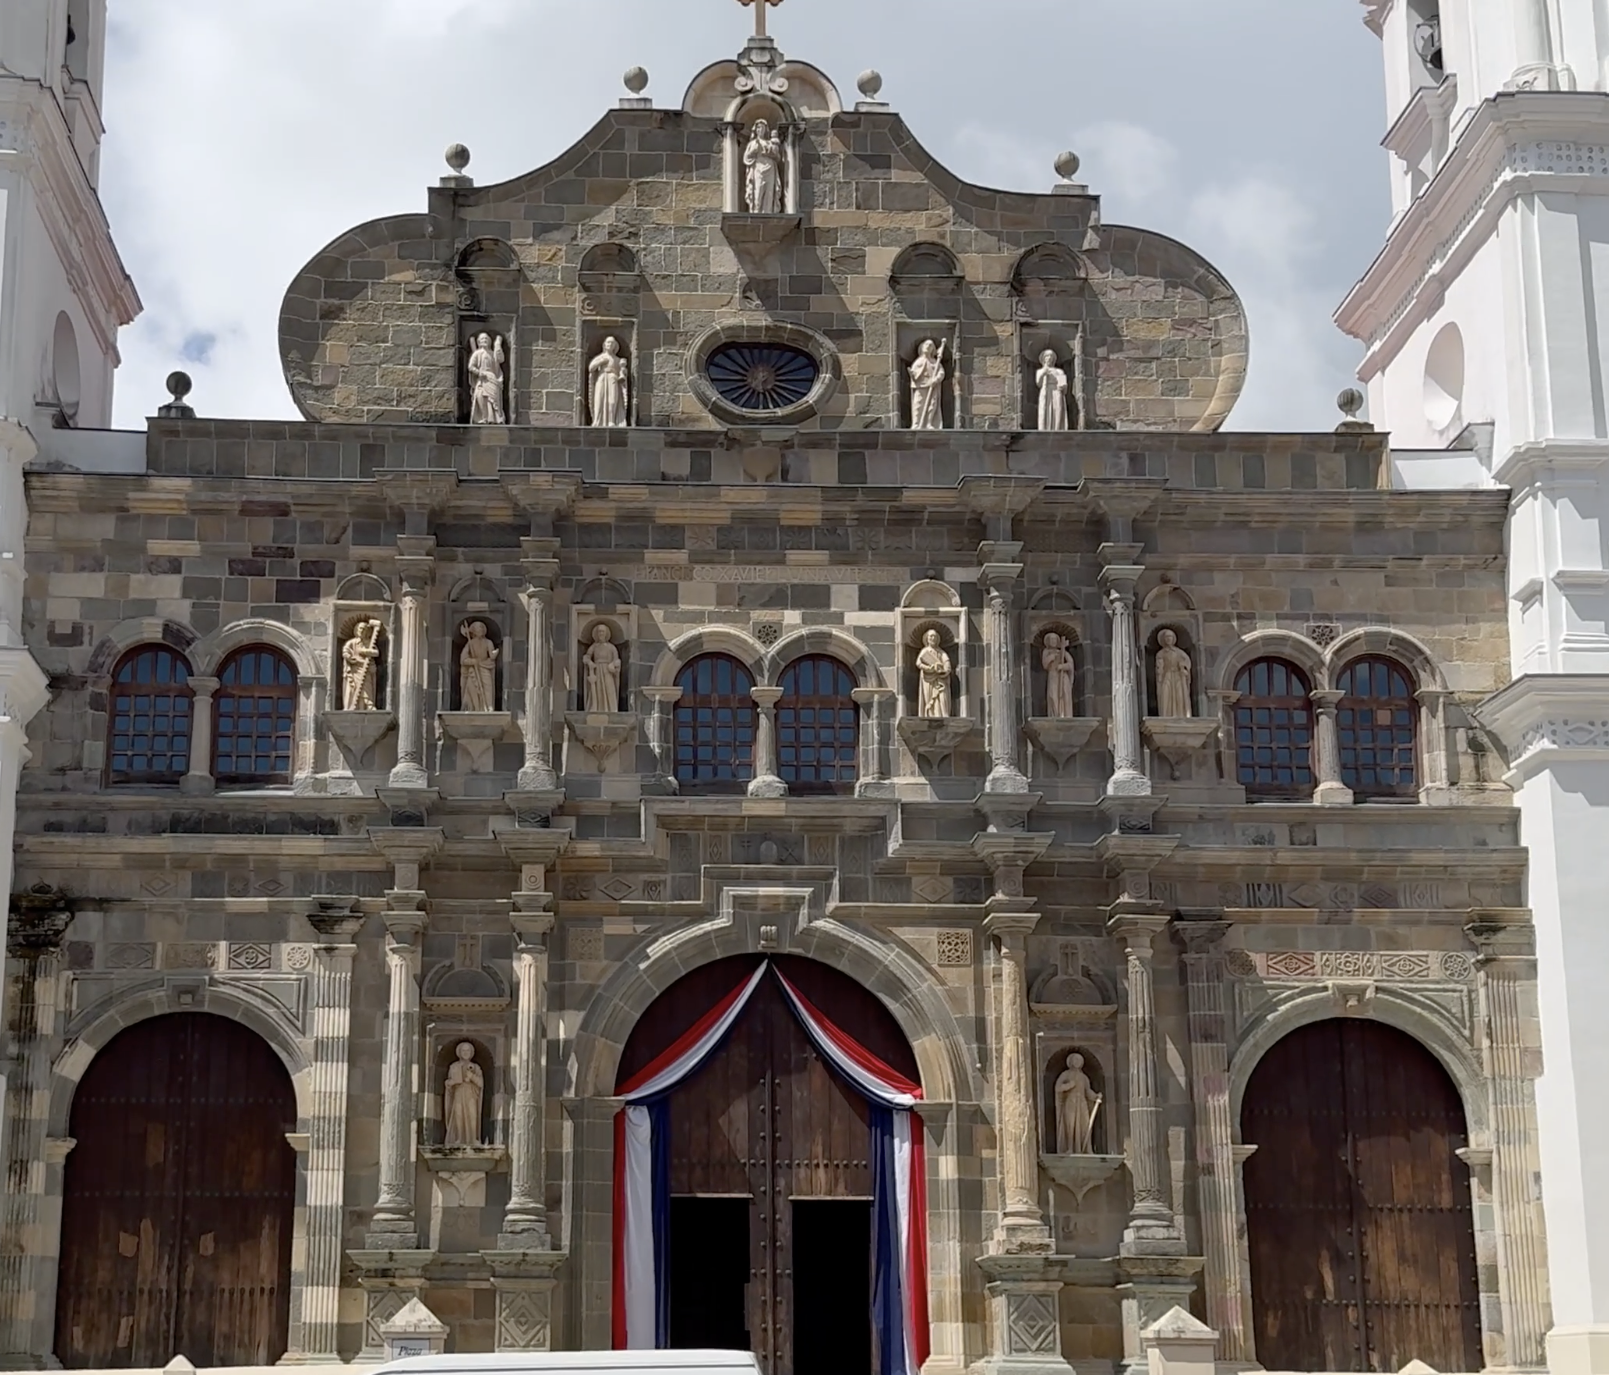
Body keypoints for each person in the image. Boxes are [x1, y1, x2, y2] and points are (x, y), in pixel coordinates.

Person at [1054, 1051, 1102, 1155]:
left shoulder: (1084, 1077)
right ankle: (1070, 1148)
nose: (1077, 1062)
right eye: (1075, 1060)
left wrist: (1095, 1096)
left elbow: (1087, 1091)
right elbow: (1058, 1088)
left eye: (1079, 1060)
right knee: (1070, 1125)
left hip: (1082, 1103)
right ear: (1070, 1061)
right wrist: (1069, 1085)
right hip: (1070, 1102)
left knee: (1084, 1125)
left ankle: (1086, 1148)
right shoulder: (1065, 1074)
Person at [443, 1042, 484, 1147]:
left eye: (468, 1051)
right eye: (463, 1050)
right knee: (459, 1115)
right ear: (459, 1052)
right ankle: (459, 1138)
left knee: (472, 1114)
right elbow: (448, 1083)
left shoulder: (475, 1067)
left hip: (471, 1094)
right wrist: (452, 1082)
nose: (466, 1053)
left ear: (471, 1053)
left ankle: (473, 1138)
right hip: (458, 1093)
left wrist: (472, 1077)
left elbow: (481, 1083)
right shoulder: (454, 1067)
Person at [743, 119, 784, 214]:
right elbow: (746, 158)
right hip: (758, 169)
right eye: (758, 127)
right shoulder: (753, 143)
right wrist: (753, 151)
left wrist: (771, 152)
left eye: (762, 127)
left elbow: (778, 157)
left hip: (770, 168)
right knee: (758, 192)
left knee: (769, 193)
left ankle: (768, 212)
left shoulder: (770, 143)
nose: (760, 129)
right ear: (755, 129)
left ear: (766, 129)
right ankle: (756, 212)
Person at [341, 619, 381, 711]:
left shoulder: (370, 643)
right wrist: (349, 657)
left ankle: (368, 705)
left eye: (364, 629)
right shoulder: (352, 642)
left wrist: (366, 651)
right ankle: (352, 705)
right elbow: (345, 651)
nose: (361, 631)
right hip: (355, 668)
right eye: (360, 629)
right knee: (354, 686)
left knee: (367, 686)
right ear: (356, 630)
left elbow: (376, 652)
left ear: (367, 632)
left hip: (367, 668)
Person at [588, 337, 629, 427]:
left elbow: (622, 374)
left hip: (613, 379)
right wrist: (601, 362)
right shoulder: (601, 357)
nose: (610, 345)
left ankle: (611, 421)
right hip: (602, 379)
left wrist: (623, 369)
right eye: (608, 343)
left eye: (612, 343)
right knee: (599, 400)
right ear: (604, 345)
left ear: (615, 346)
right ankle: (597, 421)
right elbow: (591, 368)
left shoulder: (618, 360)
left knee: (612, 400)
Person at [467, 332, 506, 425]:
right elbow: (471, 366)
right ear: (479, 342)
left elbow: (501, 359)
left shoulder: (493, 353)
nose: (484, 340)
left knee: (493, 399)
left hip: (492, 378)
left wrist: (498, 345)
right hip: (482, 379)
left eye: (486, 339)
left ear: (489, 341)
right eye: (482, 339)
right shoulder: (477, 353)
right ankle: (483, 418)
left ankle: (495, 418)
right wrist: (478, 372)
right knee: (481, 397)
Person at [459, 620, 498, 712]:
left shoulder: (488, 642)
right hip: (474, 669)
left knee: (488, 686)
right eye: (477, 628)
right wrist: (473, 661)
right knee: (473, 688)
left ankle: (488, 706)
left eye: (481, 627)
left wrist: (494, 654)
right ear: (474, 631)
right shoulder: (470, 643)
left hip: (485, 667)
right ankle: (474, 707)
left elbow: (491, 656)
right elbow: (463, 660)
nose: (480, 629)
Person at [583, 623, 622, 712]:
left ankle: (610, 709)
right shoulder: (594, 646)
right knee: (597, 691)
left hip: (607, 671)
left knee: (609, 689)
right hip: (597, 670)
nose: (601, 633)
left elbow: (617, 660)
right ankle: (595, 707)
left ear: (606, 633)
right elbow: (586, 657)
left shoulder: (611, 647)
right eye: (599, 631)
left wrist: (612, 664)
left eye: (602, 631)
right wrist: (590, 662)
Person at [909, 338, 946, 430]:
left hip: (932, 385)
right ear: (922, 347)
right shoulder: (918, 362)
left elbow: (941, 372)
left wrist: (936, 379)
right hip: (920, 386)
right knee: (918, 404)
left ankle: (929, 423)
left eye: (930, 346)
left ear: (933, 350)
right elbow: (915, 374)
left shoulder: (934, 362)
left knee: (932, 405)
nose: (928, 347)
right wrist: (912, 375)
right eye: (926, 345)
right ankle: (916, 424)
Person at [1156, 628, 1193, 718]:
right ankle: (1165, 714)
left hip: (1178, 676)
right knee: (1165, 693)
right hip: (1167, 675)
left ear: (1174, 639)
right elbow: (1159, 668)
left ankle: (1181, 714)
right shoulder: (1160, 653)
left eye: (1170, 637)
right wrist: (1159, 668)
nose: (1168, 639)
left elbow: (1187, 662)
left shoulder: (1179, 652)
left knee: (1180, 695)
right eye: (1166, 637)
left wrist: (1184, 667)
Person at [916, 628, 952, 718]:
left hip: (940, 678)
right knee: (929, 699)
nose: (933, 638)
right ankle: (930, 715)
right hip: (928, 679)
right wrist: (929, 668)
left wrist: (943, 671)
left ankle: (943, 714)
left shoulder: (941, 652)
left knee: (942, 696)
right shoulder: (925, 651)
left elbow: (947, 665)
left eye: (935, 636)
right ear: (927, 639)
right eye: (931, 636)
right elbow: (918, 663)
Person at [1043, 632, 1077, 718]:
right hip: (1053, 676)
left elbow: (1071, 664)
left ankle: (1065, 714)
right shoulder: (1046, 651)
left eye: (1055, 639)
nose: (1053, 641)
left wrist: (1062, 666)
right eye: (1051, 640)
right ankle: (1055, 714)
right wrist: (1051, 658)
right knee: (1053, 696)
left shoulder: (1062, 652)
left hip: (1063, 677)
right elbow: (1045, 664)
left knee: (1064, 695)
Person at [1036, 348, 1070, 431]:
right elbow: (1038, 383)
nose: (1049, 358)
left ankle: (1058, 428)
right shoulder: (1040, 371)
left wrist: (1063, 387)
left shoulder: (1059, 371)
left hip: (1057, 392)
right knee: (1045, 410)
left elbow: (1063, 385)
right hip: (1046, 391)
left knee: (1057, 409)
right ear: (1044, 358)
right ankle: (1044, 428)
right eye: (1047, 356)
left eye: (1051, 356)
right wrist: (1044, 373)